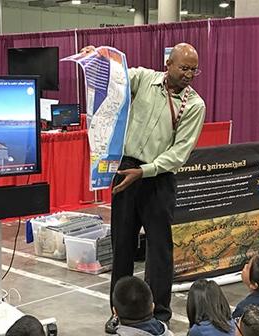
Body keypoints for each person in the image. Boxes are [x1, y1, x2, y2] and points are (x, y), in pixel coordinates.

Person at [81, 43, 205, 334]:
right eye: (183, 67)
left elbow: (179, 154)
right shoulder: (144, 79)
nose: (188, 74)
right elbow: (117, 75)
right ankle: (119, 310)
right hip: (125, 168)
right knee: (121, 244)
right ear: (168, 64)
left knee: (159, 249)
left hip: (157, 177)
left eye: (193, 70)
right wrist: (97, 57)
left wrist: (145, 172)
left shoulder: (195, 105)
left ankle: (159, 313)